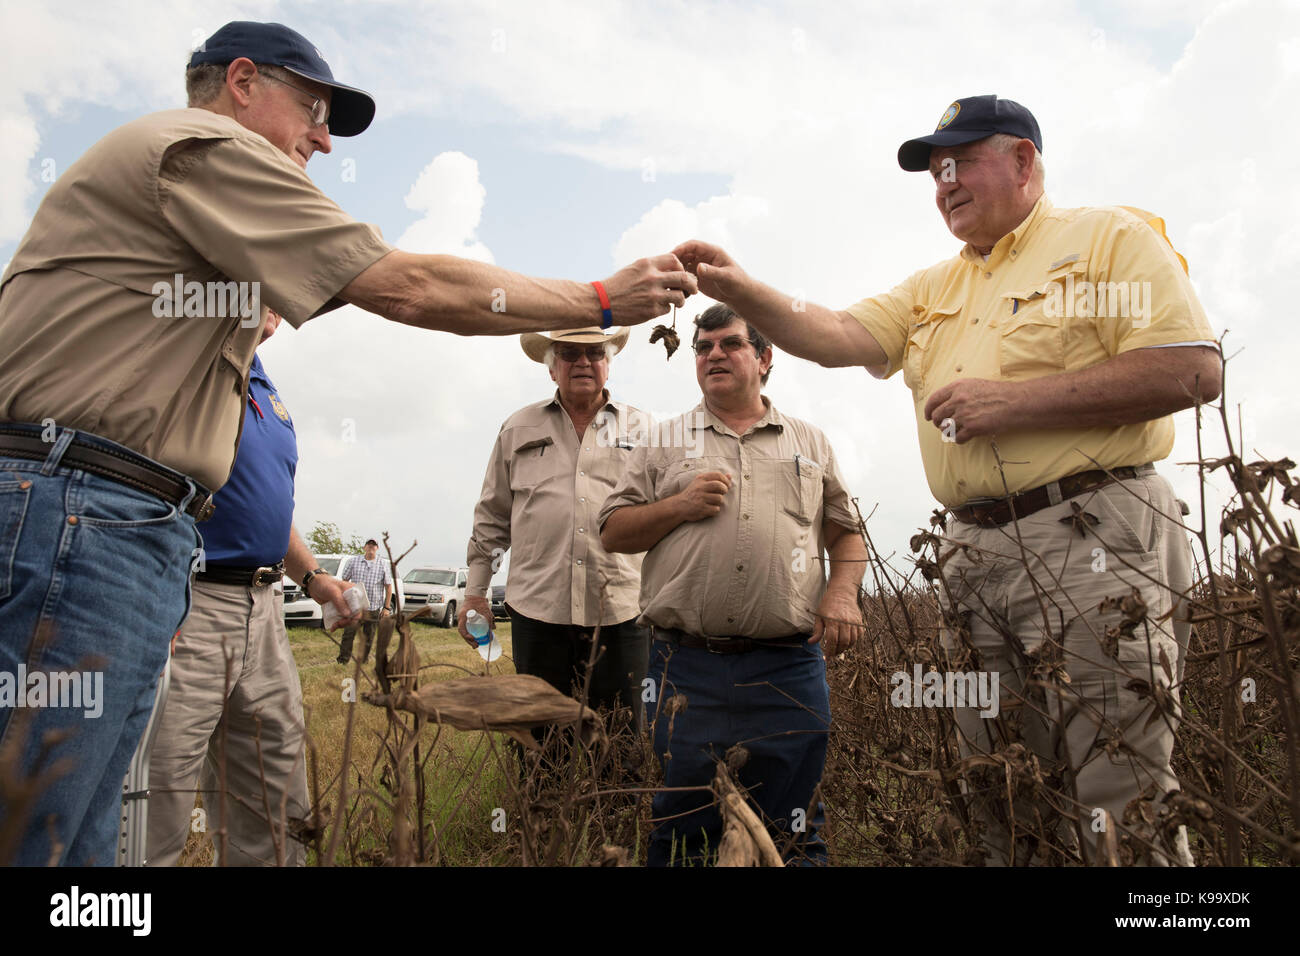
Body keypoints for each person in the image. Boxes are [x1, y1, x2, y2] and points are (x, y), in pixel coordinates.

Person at [0, 19, 694, 866]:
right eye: (313, 108)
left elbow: (339, 293)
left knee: (80, 830)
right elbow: (409, 285)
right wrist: (600, 298)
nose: (324, 140)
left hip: (117, 520)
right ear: (242, 82)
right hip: (83, 510)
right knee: (46, 829)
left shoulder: (197, 206)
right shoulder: (204, 147)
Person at [672, 95, 1221, 865]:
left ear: (1025, 161)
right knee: (998, 783)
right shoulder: (934, 285)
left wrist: (1016, 404)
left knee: (1117, 782)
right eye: (935, 173)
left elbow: (1193, 369)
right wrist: (736, 286)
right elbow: (835, 336)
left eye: (960, 163)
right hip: (971, 554)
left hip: (1095, 536)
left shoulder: (1109, 240)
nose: (945, 184)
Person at [599, 305, 867, 866]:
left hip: (788, 669)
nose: (713, 355)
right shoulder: (662, 441)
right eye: (702, 348)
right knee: (681, 830)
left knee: (793, 832)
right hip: (684, 669)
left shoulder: (810, 443)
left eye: (729, 344)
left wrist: (841, 594)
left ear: (765, 357)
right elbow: (613, 532)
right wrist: (680, 504)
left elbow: (846, 536)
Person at [145, 309, 345, 867]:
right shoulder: (182, 356)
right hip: (188, 602)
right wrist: (149, 593)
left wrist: (312, 578)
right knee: (156, 785)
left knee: (273, 782)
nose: (274, 294)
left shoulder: (263, 381)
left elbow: (268, 506)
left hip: (264, 606)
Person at [461, 328, 651, 735]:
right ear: (552, 369)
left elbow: (666, 518)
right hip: (538, 613)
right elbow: (492, 518)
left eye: (594, 352)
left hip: (622, 613)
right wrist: (475, 593)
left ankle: (616, 803)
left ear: (608, 362)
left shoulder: (645, 429)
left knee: (623, 744)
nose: (583, 362)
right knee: (541, 747)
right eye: (569, 353)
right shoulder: (517, 428)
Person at [337, 539, 393, 665]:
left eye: (374, 545)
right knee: (348, 633)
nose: (371, 547)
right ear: (364, 548)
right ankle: (343, 660)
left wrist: (386, 608)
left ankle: (363, 661)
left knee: (369, 636)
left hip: (373, 607)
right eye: (369, 545)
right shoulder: (354, 561)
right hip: (355, 606)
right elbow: (344, 580)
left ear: (377, 548)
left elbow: (388, 587)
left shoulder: (383, 564)